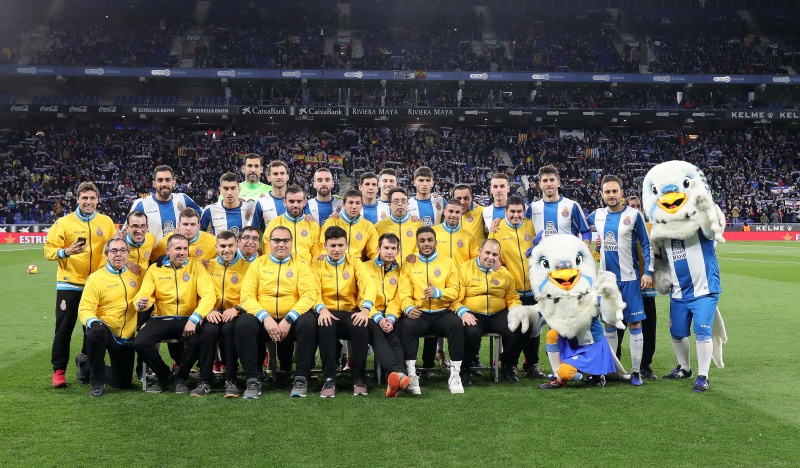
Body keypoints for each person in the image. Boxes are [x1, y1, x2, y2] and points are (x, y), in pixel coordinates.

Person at [44, 181, 117, 388]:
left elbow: (113, 249)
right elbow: (48, 250)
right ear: (77, 199)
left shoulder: (106, 222)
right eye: (84, 198)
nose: (88, 202)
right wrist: (66, 252)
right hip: (69, 285)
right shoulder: (64, 223)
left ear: (98, 200)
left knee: (92, 329)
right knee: (64, 329)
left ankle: (85, 364)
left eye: (92, 198)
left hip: (96, 285)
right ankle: (59, 371)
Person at [236, 226, 318, 398]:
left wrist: (289, 319)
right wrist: (265, 318)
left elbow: (309, 295)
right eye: (276, 240)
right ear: (269, 243)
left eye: (285, 240)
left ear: (291, 243)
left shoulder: (301, 264)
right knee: (243, 323)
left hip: (292, 319)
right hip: (263, 318)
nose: (281, 244)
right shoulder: (258, 263)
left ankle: (301, 377)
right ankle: (252, 379)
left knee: (309, 322)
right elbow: (246, 296)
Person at [587, 176, 653, 386]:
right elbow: (576, 225)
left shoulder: (634, 215)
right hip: (607, 282)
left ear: (621, 193)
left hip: (630, 279)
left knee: (634, 323)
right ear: (602, 194)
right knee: (608, 325)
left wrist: (648, 272)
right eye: (607, 192)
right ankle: (609, 370)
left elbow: (646, 245)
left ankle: (635, 372)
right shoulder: (596, 216)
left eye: (615, 191)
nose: (611, 195)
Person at [133, 234, 217, 395]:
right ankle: (165, 375)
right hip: (161, 318)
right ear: (168, 250)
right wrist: (141, 303)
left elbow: (208, 295)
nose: (182, 252)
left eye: (185, 248)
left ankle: (181, 375)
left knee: (197, 339)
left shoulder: (196, 266)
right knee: (140, 343)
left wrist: (195, 318)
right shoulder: (155, 268)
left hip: (187, 319)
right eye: (178, 248)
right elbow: (145, 294)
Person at [399, 226, 464, 395]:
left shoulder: (447, 262)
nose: (426, 244)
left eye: (429, 240)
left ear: (436, 242)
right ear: (417, 243)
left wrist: (438, 293)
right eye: (422, 241)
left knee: (456, 326)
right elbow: (403, 293)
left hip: (441, 311)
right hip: (419, 313)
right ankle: (412, 374)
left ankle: (455, 374)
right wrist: (407, 308)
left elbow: (455, 291)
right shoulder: (409, 264)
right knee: (407, 326)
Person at [313, 226, 376, 397]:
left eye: (340, 245)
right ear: (324, 246)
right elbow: (313, 290)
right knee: (325, 325)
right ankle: (329, 379)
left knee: (361, 325)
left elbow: (368, 285)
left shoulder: (355, 262)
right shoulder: (317, 265)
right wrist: (322, 309)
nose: (336, 249)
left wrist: (365, 310)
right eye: (332, 245)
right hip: (328, 311)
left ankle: (358, 378)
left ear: (346, 245)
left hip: (350, 311)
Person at [453, 239, 526, 385]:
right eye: (487, 253)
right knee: (471, 332)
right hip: (473, 313)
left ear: (499, 257)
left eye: (494, 254)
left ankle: (507, 364)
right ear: (480, 252)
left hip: (498, 313)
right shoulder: (464, 269)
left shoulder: (504, 273)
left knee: (520, 327)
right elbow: (455, 298)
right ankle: (465, 368)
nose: (490, 257)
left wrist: (515, 311)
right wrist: (463, 312)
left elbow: (513, 298)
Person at [76, 238, 139, 397]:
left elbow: (157, 278)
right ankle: (97, 383)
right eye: (114, 251)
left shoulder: (139, 274)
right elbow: (85, 308)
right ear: (106, 255)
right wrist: (93, 321)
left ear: (128, 254)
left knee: (123, 383)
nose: (118, 254)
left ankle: (85, 365)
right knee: (94, 333)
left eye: (122, 250)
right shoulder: (96, 278)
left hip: (126, 335)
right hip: (105, 329)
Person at [489, 195, 543, 378]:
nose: (516, 215)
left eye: (519, 211)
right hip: (512, 291)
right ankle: (509, 364)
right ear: (505, 212)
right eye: (512, 211)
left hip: (533, 287)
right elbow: (493, 256)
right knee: (516, 329)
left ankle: (531, 364)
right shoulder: (497, 229)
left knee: (534, 329)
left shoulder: (531, 225)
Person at [205, 229, 258, 398]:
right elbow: (199, 293)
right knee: (209, 331)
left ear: (236, 245)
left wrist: (237, 309)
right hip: (212, 313)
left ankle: (231, 379)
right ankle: (204, 379)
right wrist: (208, 310)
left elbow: (254, 295)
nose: (226, 250)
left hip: (236, 314)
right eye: (222, 246)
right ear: (216, 247)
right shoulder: (207, 266)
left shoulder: (248, 268)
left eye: (230, 245)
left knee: (229, 330)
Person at [365, 233, 413, 397]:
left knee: (395, 340)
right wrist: (378, 318)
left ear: (398, 251)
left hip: (393, 315)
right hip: (371, 314)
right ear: (378, 249)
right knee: (378, 337)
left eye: (393, 248)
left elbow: (399, 297)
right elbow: (361, 297)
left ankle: (393, 380)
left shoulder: (402, 272)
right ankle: (399, 374)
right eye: (386, 248)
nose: (389, 251)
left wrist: (390, 318)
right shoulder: (364, 268)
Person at [626, 195, 659, 380]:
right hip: (625, 285)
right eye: (633, 206)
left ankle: (645, 365)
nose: (636, 209)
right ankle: (616, 361)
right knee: (620, 325)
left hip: (646, 285)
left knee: (648, 326)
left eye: (639, 206)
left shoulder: (650, 228)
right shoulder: (621, 226)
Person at [129, 165, 202, 242]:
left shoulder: (183, 199)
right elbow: (127, 231)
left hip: (180, 252)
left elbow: (203, 218)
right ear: (154, 183)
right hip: (154, 253)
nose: (164, 184)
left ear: (174, 182)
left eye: (168, 180)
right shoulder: (141, 204)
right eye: (160, 180)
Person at [528, 165, 591, 246]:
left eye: (552, 180)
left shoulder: (572, 206)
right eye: (545, 181)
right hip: (543, 258)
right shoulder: (532, 208)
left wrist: (586, 244)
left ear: (558, 183)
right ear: (540, 184)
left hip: (567, 257)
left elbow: (585, 231)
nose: (549, 184)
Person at [266, 185, 320, 264]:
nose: (295, 205)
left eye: (299, 201)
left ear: (304, 203)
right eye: (291, 201)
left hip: (307, 273)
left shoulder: (312, 224)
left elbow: (317, 254)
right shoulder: (274, 224)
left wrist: (309, 273)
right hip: (282, 272)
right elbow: (267, 253)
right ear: (284, 202)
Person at [320, 189, 378, 261]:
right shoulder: (331, 222)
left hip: (357, 266)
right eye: (350, 203)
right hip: (335, 264)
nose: (354, 207)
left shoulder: (368, 226)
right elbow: (323, 248)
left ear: (362, 205)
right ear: (343, 205)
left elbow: (374, 252)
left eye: (357, 203)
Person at [375, 187, 423, 265]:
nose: (400, 204)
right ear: (389, 205)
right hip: (388, 272)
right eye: (396, 201)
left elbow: (423, 247)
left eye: (403, 201)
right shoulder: (379, 226)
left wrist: (414, 256)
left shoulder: (418, 224)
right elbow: (375, 250)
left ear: (407, 204)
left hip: (412, 271)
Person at [200, 172, 257, 236]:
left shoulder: (251, 208)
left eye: (233, 188)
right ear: (220, 190)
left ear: (239, 189)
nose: (229, 192)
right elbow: (199, 236)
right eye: (226, 189)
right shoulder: (210, 210)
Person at [116, 210, 157, 277]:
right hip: (124, 282)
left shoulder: (151, 239)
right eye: (135, 226)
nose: (139, 230)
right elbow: (105, 266)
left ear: (147, 227)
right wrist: (124, 262)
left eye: (143, 226)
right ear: (127, 227)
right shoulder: (117, 243)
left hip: (145, 282)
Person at [252, 161, 291, 228]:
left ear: (287, 177)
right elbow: (254, 230)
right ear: (269, 178)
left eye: (282, 173)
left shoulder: (298, 200)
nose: (279, 177)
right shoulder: (261, 203)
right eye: (275, 174)